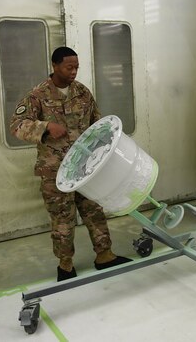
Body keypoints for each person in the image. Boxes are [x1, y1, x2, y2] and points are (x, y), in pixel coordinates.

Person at [10, 46, 131, 282]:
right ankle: (65, 266)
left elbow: (98, 124)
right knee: (62, 219)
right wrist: (45, 127)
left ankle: (104, 255)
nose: (74, 71)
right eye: (69, 67)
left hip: (86, 168)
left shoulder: (82, 93)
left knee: (94, 211)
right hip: (55, 171)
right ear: (55, 66)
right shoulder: (37, 95)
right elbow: (16, 125)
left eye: (76, 67)